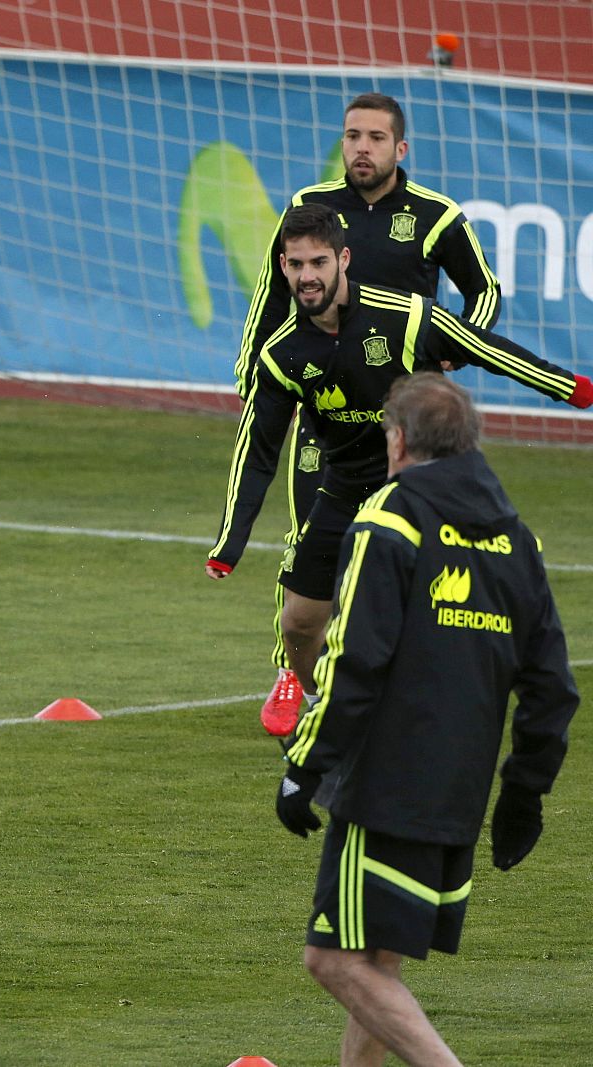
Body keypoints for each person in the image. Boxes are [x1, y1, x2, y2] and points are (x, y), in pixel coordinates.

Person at [273, 373, 578, 1067]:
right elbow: (553, 688)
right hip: (460, 790)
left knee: (332, 960)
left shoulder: (390, 517)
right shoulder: (516, 539)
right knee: (379, 957)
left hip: (388, 785)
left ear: (400, 439)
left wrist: (304, 764)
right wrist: (523, 794)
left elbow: (354, 659)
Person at [207, 203, 588, 707]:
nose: (307, 276)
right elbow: (258, 451)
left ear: (343, 260)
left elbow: (490, 351)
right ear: (282, 267)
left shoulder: (406, 317)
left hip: (421, 485)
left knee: (439, 606)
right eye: (296, 265)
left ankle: (506, 581)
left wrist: (571, 388)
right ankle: (342, 712)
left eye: (318, 262)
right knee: (298, 624)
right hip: (344, 488)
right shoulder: (281, 355)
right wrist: (230, 543)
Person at [234, 92, 502, 736]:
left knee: (410, 546)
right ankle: (294, 673)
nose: (362, 147)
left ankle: (413, 673)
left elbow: (484, 288)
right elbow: (273, 298)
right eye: (353, 135)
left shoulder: (438, 217)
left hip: (405, 423)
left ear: (399, 149)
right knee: (310, 541)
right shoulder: (309, 210)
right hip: (324, 410)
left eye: (376, 138)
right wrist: (252, 375)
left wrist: (464, 347)